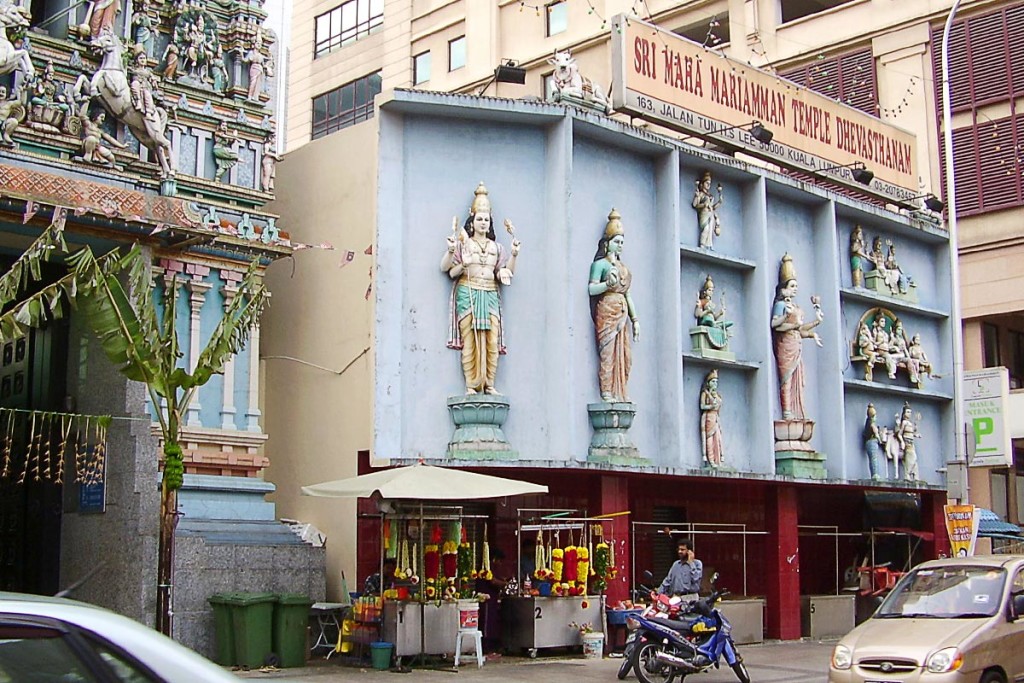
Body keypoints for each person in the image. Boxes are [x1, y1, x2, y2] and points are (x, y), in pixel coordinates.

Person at [440, 182, 521, 395]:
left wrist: (514, 255)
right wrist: (459, 260)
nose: (483, 223)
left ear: (490, 220)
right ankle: (471, 385)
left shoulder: (496, 247)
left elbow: (505, 273)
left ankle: (490, 384)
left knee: (491, 341)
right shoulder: (464, 245)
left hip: (490, 293)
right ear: (472, 220)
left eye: (486, 219)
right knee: (471, 339)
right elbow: (447, 270)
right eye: (479, 219)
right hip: (468, 292)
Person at [589, 208, 639, 402]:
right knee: (608, 354)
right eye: (617, 242)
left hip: (622, 314)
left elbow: (627, 295)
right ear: (607, 243)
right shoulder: (600, 265)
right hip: (607, 312)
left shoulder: (623, 269)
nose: (620, 246)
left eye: (622, 243)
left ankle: (620, 391)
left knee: (625, 357)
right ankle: (607, 392)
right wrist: (606, 285)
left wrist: (635, 320)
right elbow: (591, 290)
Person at [770, 254, 823, 420]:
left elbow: (801, 329)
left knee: (796, 381)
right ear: (784, 288)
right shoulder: (781, 305)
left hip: (796, 344)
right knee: (786, 378)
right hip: (785, 345)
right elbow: (775, 325)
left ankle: (795, 411)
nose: (795, 289)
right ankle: (786, 412)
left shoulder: (795, 306)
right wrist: (788, 319)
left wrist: (816, 323)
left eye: (796, 286)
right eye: (792, 286)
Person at [475, 548, 508, 654]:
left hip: (493, 599)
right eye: (499, 561)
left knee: (493, 622)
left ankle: (491, 645)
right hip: (486, 599)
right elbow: (493, 581)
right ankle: (485, 646)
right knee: (486, 623)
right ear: (494, 559)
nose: (500, 564)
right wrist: (504, 584)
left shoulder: (491, 568)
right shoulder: (485, 569)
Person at [693, 170, 723, 249]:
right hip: (704, 215)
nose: (708, 185)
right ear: (702, 184)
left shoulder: (710, 196)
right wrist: (703, 204)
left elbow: (712, 207)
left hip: (710, 214)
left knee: (710, 231)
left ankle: (708, 245)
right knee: (705, 229)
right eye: (707, 183)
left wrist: (719, 202)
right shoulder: (700, 194)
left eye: (709, 184)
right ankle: (702, 244)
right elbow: (695, 204)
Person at [700, 369, 724, 467]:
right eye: (713, 381)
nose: (715, 384)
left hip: (716, 418)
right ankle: (711, 460)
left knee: (718, 439)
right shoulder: (705, 394)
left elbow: (719, 406)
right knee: (709, 439)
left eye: (716, 382)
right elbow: (702, 406)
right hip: (708, 418)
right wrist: (710, 406)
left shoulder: (717, 395)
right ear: (708, 383)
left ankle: (718, 460)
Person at [863, 403, 884, 480]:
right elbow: (875, 431)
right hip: (872, 441)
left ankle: (874, 474)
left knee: (872, 458)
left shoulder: (867, 422)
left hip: (868, 442)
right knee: (874, 458)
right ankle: (875, 474)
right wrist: (879, 439)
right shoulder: (871, 423)